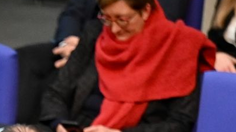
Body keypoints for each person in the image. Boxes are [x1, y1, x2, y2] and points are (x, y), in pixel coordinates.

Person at [40, 0, 215, 132]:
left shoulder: (180, 44)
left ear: (145, 11)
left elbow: (179, 125)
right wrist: (60, 124)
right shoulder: (95, 33)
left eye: (122, 19)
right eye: (107, 18)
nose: (114, 29)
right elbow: (56, 92)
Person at [15, 0, 189, 123]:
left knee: (58, 83)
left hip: (123, 46)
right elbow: (72, 11)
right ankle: (15, 130)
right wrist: (69, 42)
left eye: (121, 20)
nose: (115, 27)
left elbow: (161, 21)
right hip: (86, 40)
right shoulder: (96, 28)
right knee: (28, 59)